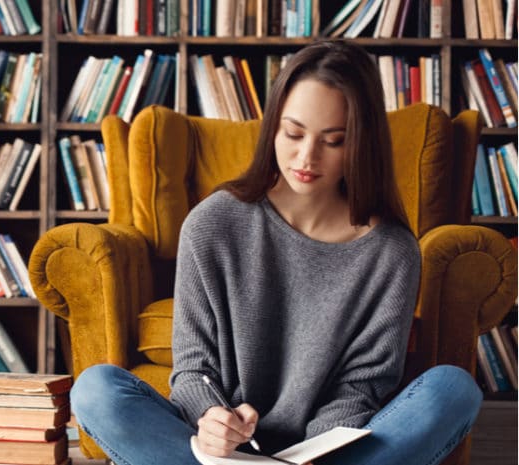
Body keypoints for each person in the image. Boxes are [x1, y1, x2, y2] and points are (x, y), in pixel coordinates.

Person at [69, 40, 483, 465]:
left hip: (329, 454)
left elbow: (362, 387)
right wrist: (212, 420)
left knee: (453, 389)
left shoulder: (392, 252)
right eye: (294, 133)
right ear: (273, 127)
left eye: (334, 140)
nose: (307, 156)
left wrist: (314, 454)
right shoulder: (213, 222)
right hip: (221, 455)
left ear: (361, 143)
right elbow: (193, 368)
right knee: (96, 389)